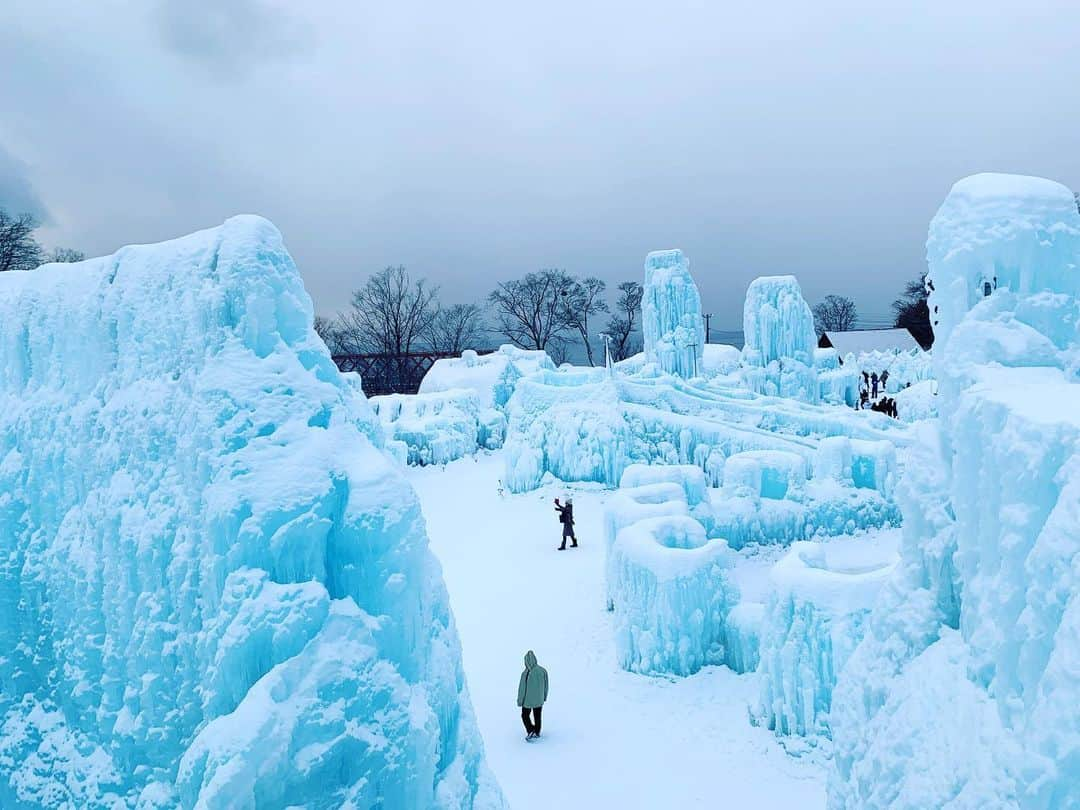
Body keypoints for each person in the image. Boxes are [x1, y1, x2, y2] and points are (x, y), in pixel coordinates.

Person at [517, 650, 549, 739]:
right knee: (537, 716)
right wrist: (544, 697)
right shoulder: (543, 671)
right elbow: (546, 685)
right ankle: (537, 732)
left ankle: (530, 730)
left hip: (528, 701)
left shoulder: (526, 673)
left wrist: (520, 701)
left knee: (524, 715)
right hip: (539, 699)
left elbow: (522, 689)